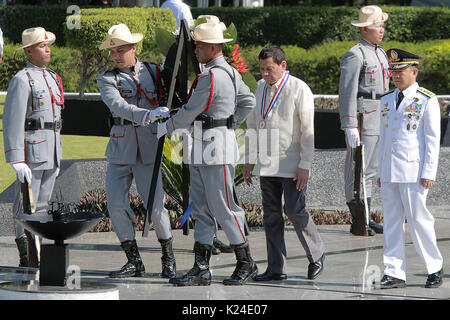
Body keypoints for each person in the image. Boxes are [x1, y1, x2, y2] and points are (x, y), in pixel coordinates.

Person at [157, 22, 257, 286]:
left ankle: (246, 263)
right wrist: (230, 123)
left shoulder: (211, 76)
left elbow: (191, 110)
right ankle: (201, 268)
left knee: (224, 209)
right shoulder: (231, 73)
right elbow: (248, 101)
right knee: (201, 209)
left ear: (213, 47)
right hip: (206, 147)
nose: (196, 49)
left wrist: (167, 126)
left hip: (215, 150)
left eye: (200, 45)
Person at [97, 24, 176, 279]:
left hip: (150, 148)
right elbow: (118, 106)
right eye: (112, 52)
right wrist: (147, 115)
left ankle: (168, 258)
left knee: (156, 207)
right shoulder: (108, 78)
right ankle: (133, 260)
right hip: (121, 149)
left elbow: (172, 97)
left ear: (134, 48)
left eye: (120, 50)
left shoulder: (154, 72)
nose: (116, 56)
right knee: (117, 204)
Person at [243, 45, 325, 281]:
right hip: (267, 163)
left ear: (283, 66)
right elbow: (251, 126)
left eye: (269, 69)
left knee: (295, 210)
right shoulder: (259, 88)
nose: (265, 74)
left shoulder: (299, 88)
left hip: (292, 163)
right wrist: (248, 160)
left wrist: (305, 165)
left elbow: (308, 131)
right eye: (261, 70)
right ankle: (276, 268)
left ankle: (316, 255)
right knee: (271, 215)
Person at [377, 48, 444, 289]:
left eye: (401, 71)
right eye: (393, 71)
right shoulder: (386, 100)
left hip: (413, 171)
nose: (395, 75)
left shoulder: (427, 99)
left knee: (418, 221)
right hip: (390, 171)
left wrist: (429, 172)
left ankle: (434, 267)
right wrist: (380, 170)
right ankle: (394, 272)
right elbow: (384, 138)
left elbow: (431, 139)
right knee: (392, 222)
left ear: (414, 72)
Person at [3, 27, 63, 267]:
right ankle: (27, 253)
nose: (47, 48)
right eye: (41, 45)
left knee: (43, 205)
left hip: (52, 148)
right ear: (28, 51)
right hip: (32, 150)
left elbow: (56, 119)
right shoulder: (22, 79)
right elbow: (13, 120)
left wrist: (59, 153)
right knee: (27, 204)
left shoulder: (51, 76)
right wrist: (16, 159)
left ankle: (37, 251)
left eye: (48, 44)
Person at [339, 5, 389, 236]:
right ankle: (358, 217)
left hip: (380, 115)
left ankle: (366, 216)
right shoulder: (355, 54)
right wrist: (349, 124)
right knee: (358, 168)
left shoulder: (380, 53)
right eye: (379, 25)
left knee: (371, 170)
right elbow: (347, 91)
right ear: (367, 28)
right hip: (363, 117)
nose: (382, 29)